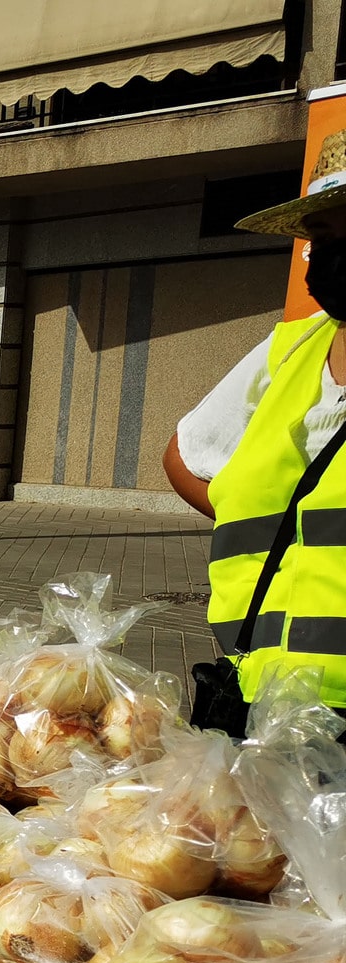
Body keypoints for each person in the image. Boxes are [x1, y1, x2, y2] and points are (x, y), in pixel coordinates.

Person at [167, 129, 346, 710]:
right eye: (322, 238)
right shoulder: (291, 350)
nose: (331, 255)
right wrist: (285, 526)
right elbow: (184, 456)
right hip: (258, 699)